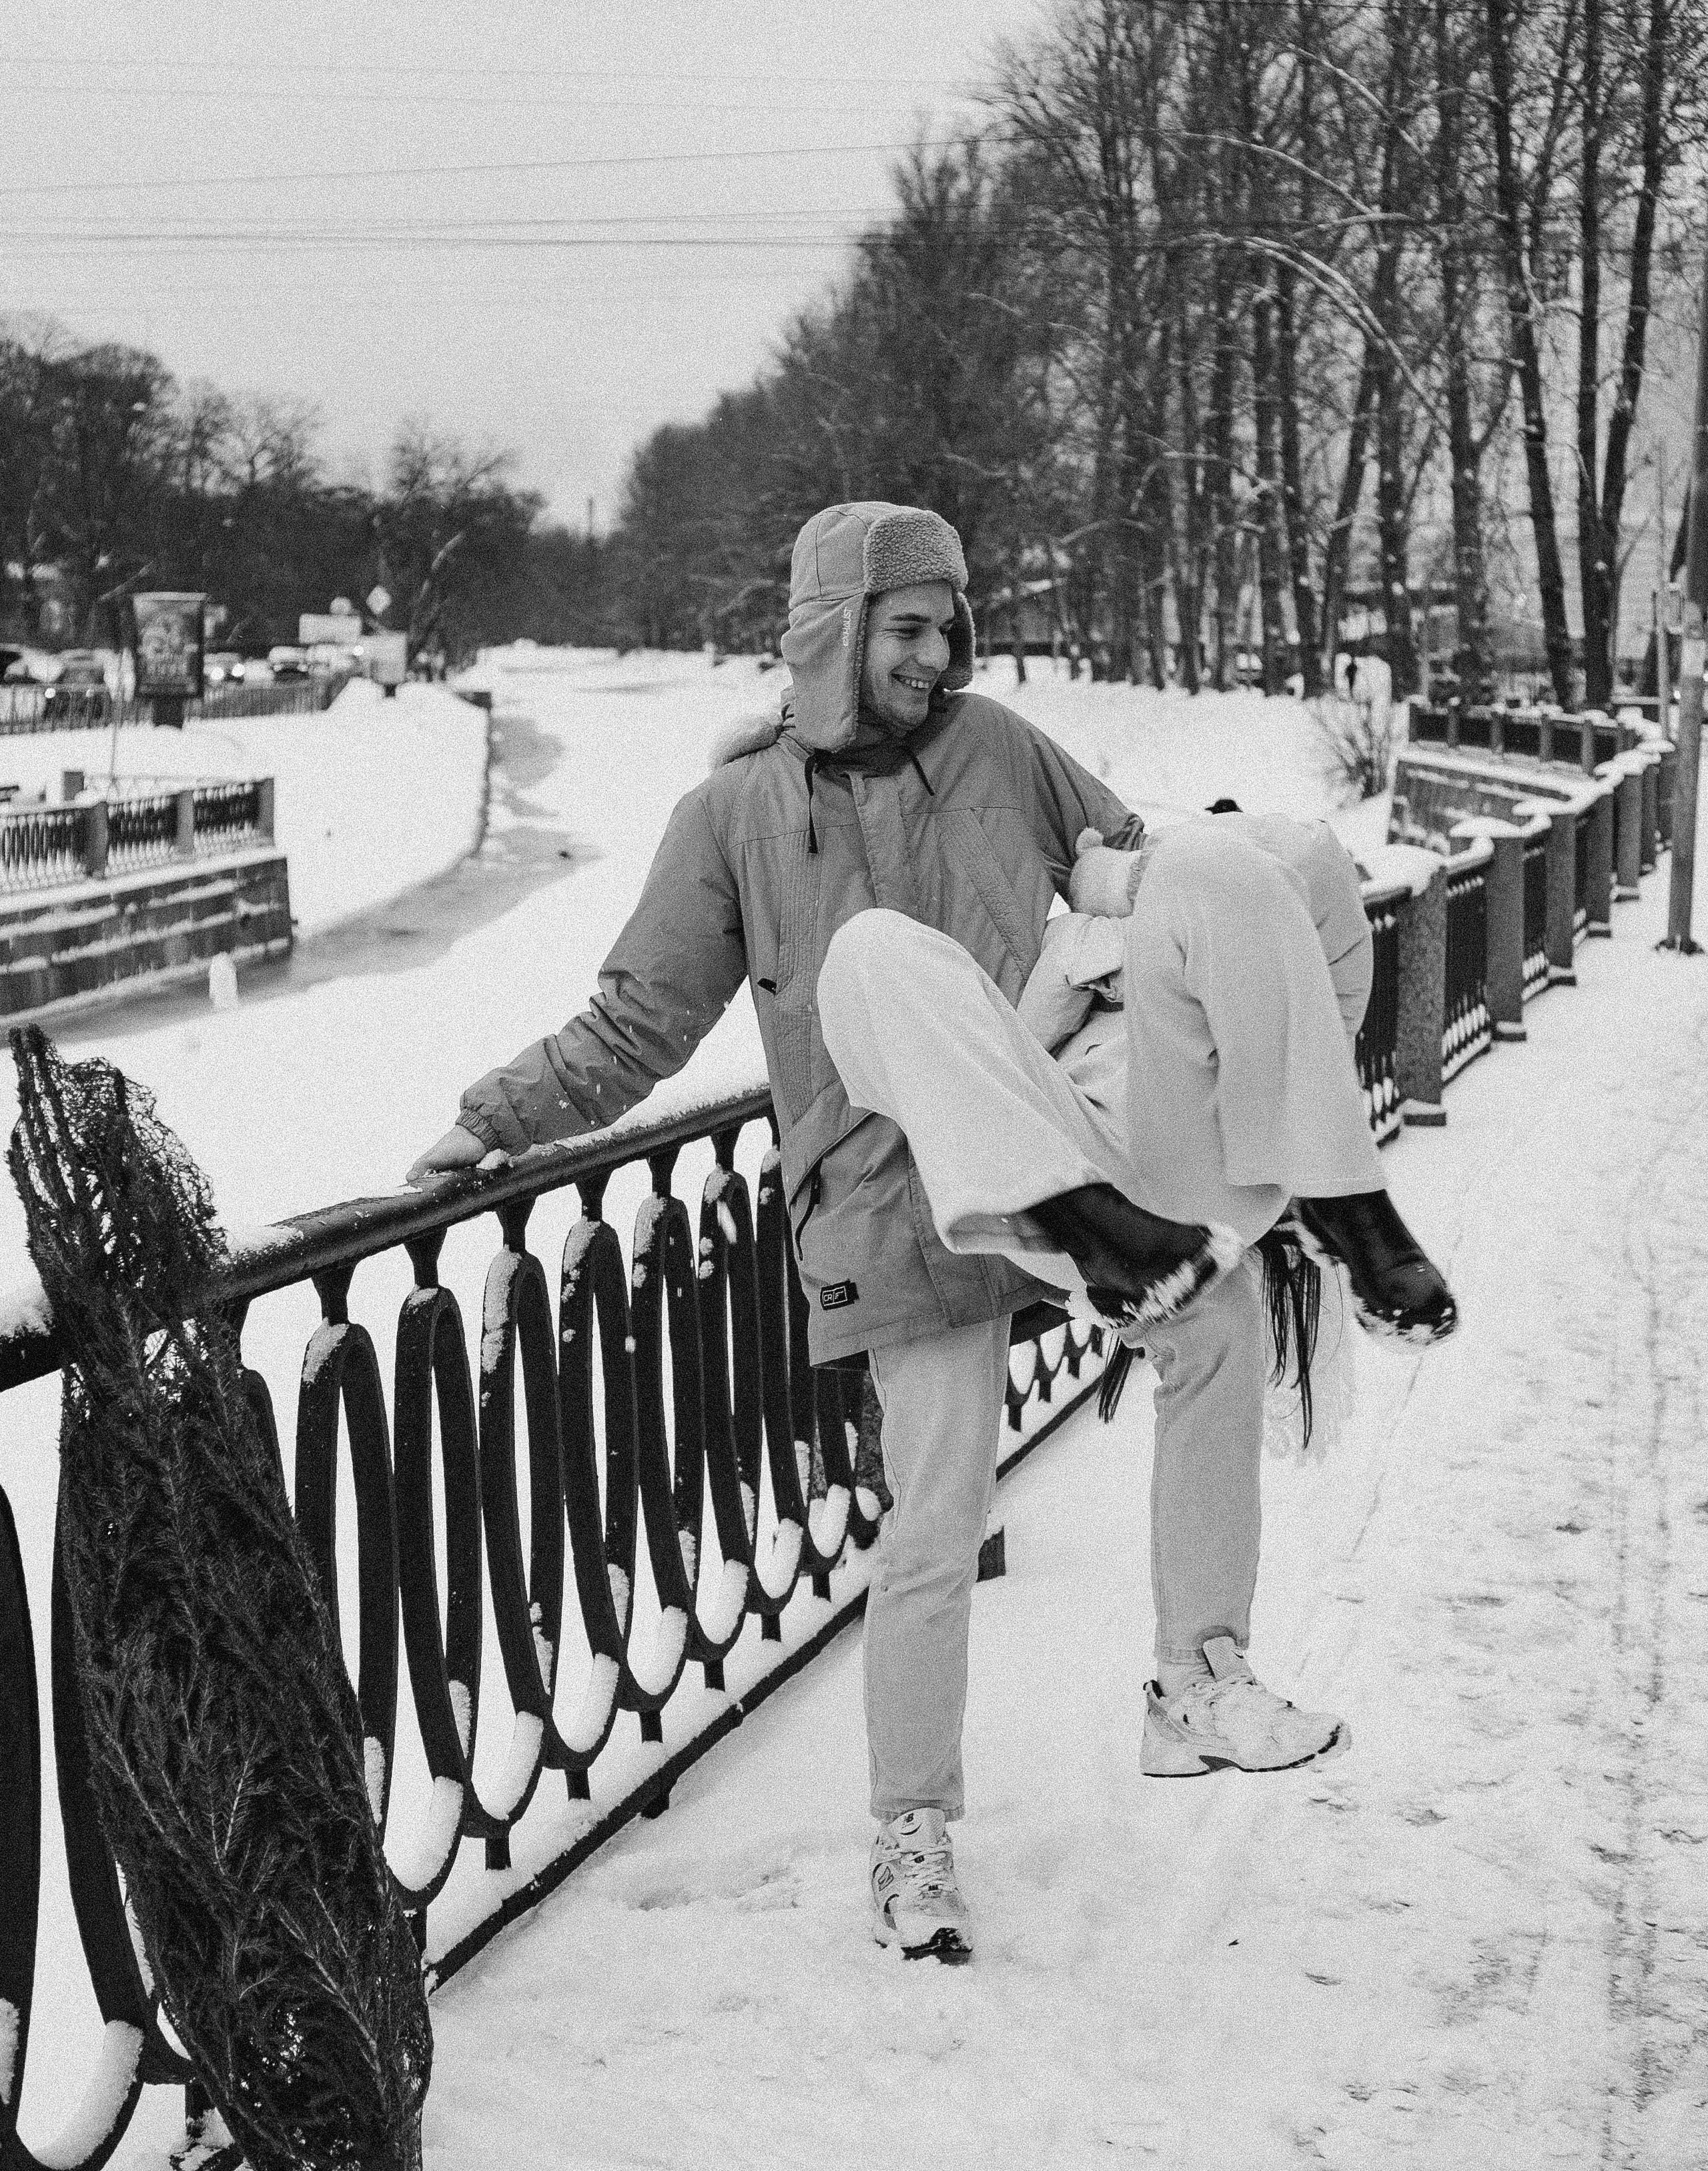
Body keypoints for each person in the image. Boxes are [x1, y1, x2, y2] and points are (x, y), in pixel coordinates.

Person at [408, 500, 1454, 1967]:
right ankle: (910, 1831)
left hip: (1055, 1169)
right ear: (831, 636)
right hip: (890, 1209)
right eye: (908, 626)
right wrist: (489, 1119)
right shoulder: (729, 819)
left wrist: (1259, 890)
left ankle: (1195, 1677)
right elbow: (640, 1021)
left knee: (1213, 1306)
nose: (940, 651)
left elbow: (1127, 875)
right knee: (932, 1519)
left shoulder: (996, 750)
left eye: (950, 624)